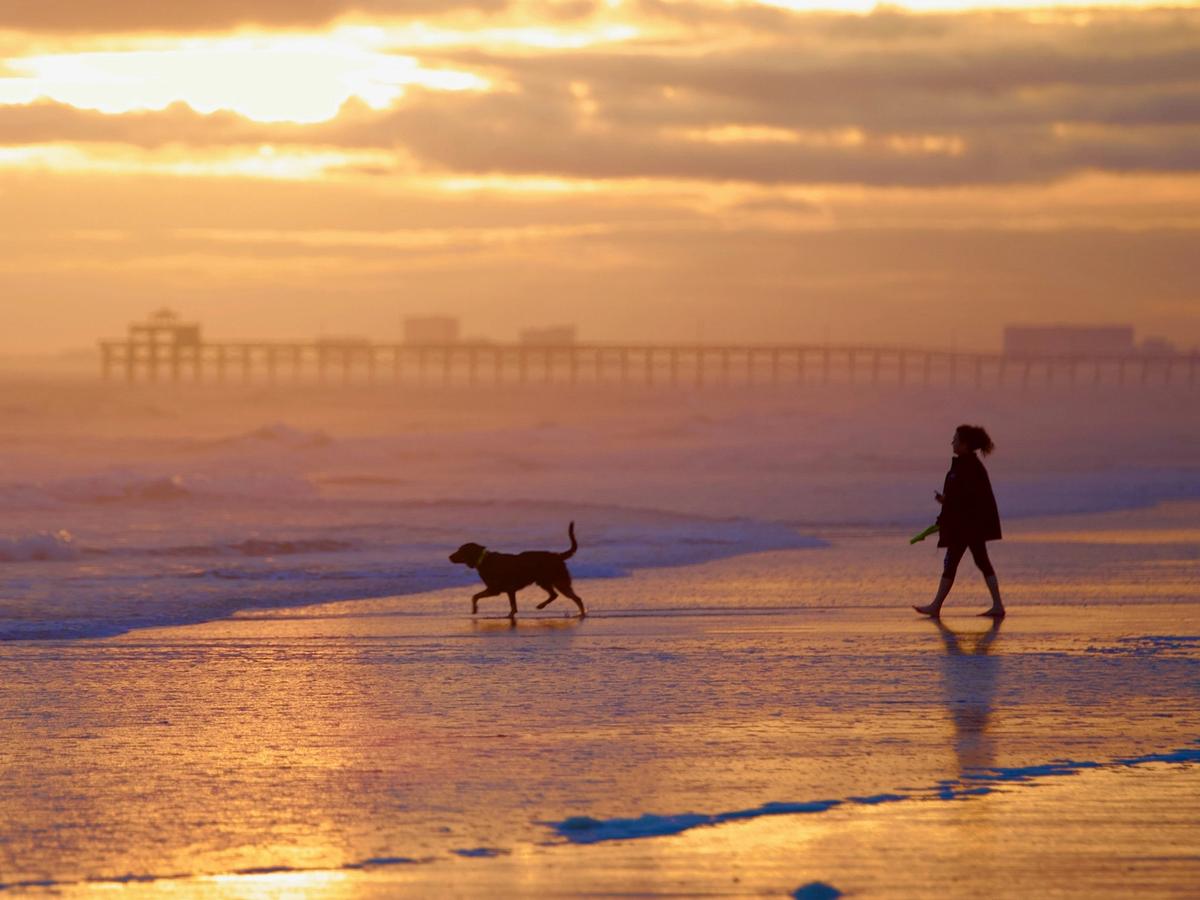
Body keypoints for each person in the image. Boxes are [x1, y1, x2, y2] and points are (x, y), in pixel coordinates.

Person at [913, 424, 1005, 618]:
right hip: (967, 525)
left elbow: (970, 498)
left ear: (964, 444)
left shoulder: (970, 467)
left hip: (968, 526)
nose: (952, 443)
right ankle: (996, 605)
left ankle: (937, 606)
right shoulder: (964, 464)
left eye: (955, 439)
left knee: (958, 562)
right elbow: (960, 496)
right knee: (973, 562)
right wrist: (943, 512)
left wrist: (946, 501)